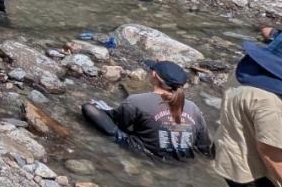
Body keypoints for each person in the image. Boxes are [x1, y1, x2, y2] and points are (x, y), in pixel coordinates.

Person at [82, 61, 213, 161]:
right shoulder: (193, 108)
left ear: (154, 75)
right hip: (183, 160)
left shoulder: (137, 100)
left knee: (89, 109)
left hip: (149, 155)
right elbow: (204, 147)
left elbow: (119, 123)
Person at [214, 34, 282, 186]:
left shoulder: (246, 71)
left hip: (229, 148)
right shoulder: (270, 102)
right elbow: (270, 153)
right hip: (251, 172)